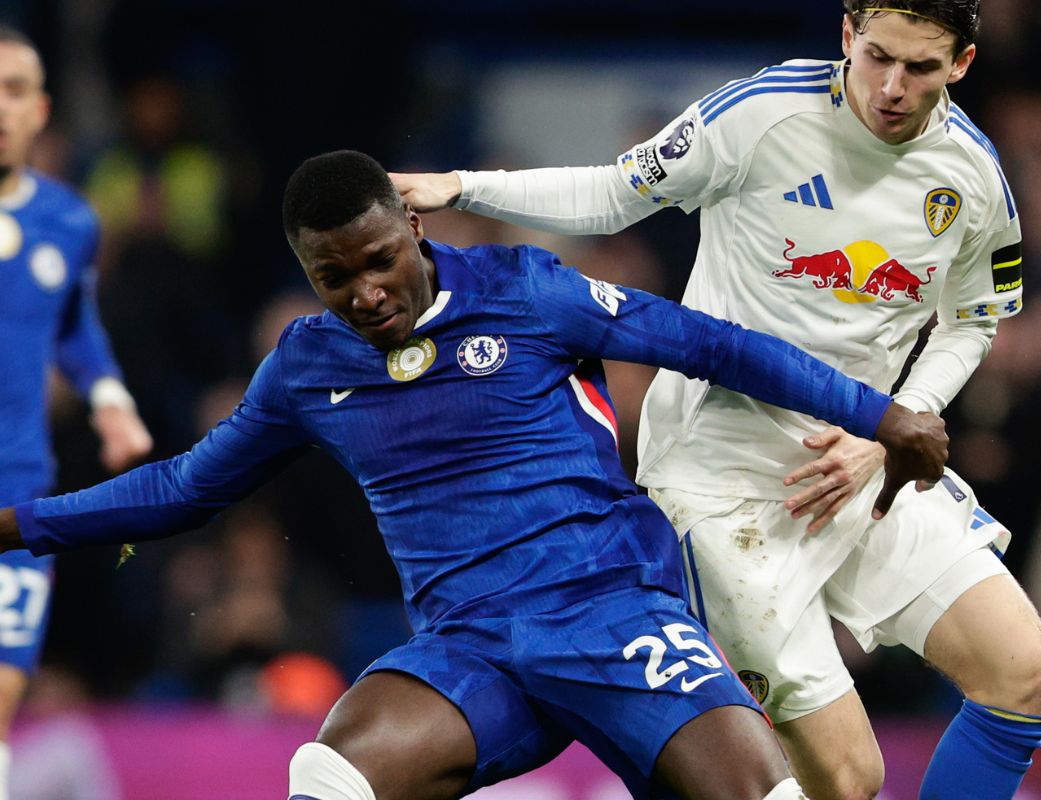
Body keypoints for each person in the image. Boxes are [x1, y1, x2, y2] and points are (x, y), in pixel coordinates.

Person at [0, 150, 948, 800]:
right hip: (470, 651)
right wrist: (15, 524)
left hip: (613, 614)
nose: (367, 293)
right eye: (335, 279)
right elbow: (181, 489)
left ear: (412, 225)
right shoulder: (305, 367)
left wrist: (883, 415)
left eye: (379, 260)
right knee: (327, 779)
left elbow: (713, 345)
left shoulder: (526, 291)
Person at [390, 2, 1041, 798]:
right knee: (849, 779)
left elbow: (973, 319)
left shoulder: (972, 175)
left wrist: (896, 424)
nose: (891, 86)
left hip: (861, 463)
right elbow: (615, 192)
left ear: (961, 64)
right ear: (847, 36)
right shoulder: (760, 116)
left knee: (1028, 677)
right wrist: (461, 187)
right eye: (877, 56)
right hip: (722, 484)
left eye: (919, 68)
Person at [0, 27, 152, 800]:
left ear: (41, 110)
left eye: (14, 90)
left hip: (16, 493)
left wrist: (109, 400)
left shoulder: (69, 221)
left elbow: (74, 323)